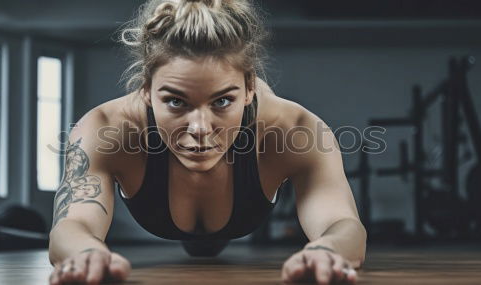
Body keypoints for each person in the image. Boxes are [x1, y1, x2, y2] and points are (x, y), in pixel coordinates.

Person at [48, 0, 365, 284]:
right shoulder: (106, 128)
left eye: (222, 101)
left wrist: (327, 249)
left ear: (250, 87)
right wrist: (86, 252)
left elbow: (340, 222)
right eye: (176, 102)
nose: (200, 128)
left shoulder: (294, 129)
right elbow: (73, 223)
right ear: (146, 89)